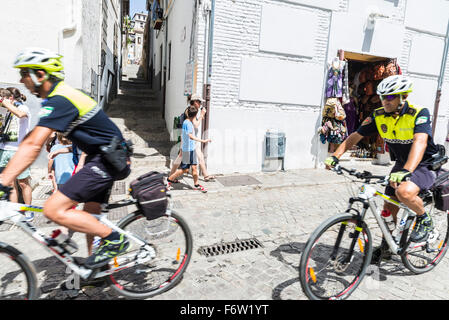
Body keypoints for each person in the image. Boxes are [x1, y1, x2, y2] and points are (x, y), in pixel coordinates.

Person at [0, 47, 132, 268]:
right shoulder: (57, 98)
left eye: (25, 74)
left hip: (108, 159)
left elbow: (34, 144)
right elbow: (32, 140)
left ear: (40, 75)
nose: (22, 80)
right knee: (92, 217)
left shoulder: (61, 99)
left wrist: (3, 180)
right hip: (101, 157)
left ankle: (116, 239)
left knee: (53, 208)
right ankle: (98, 271)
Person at [324, 75, 439, 262]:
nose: (385, 100)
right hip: (402, 164)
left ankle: (425, 220)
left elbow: (420, 142)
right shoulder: (378, 115)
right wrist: (335, 157)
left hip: (424, 163)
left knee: (404, 193)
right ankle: (388, 245)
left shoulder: (419, 113)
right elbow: (355, 135)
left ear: (404, 96)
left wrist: (407, 170)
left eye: (391, 97)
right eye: (382, 96)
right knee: (388, 209)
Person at [0, 87, 33, 220]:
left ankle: (28, 210)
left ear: (11, 98)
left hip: (18, 151)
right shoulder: (5, 111)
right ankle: (14, 211)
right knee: (9, 183)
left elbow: (20, 114)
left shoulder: (23, 108)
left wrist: (5, 103)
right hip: (4, 149)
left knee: (23, 182)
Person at [169, 94, 215, 182]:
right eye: (199, 102)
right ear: (195, 102)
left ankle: (206, 175)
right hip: (187, 140)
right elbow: (196, 125)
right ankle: (171, 176)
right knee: (180, 158)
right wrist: (202, 115)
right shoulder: (190, 110)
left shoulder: (192, 110)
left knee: (200, 155)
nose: (201, 104)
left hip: (190, 139)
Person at [167, 106, 211, 192]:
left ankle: (196, 184)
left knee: (194, 168)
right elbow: (190, 136)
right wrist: (203, 140)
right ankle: (170, 179)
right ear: (194, 116)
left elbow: (184, 136)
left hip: (191, 149)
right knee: (185, 169)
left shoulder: (186, 122)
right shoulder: (189, 124)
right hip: (187, 150)